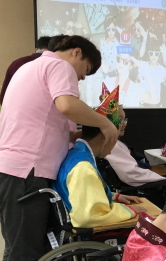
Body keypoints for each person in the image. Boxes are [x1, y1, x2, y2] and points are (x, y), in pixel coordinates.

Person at [0, 35, 117, 261]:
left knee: (19, 254)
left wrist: (87, 131)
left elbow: (55, 126)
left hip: (10, 173)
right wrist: (105, 124)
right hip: (24, 175)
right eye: (84, 71)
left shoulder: (30, 68)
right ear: (76, 52)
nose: (81, 79)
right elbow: (67, 105)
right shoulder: (58, 66)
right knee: (22, 257)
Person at [53, 88, 141, 228]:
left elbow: (81, 195)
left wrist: (113, 196)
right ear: (105, 136)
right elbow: (89, 217)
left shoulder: (77, 154)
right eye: (115, 138)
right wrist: (129, 211)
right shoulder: (83, 168)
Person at [0, 35, 63, 104]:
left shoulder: (16, 63)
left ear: (36, 49)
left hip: (13, 106)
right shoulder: (55, 64)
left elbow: (4, 95)